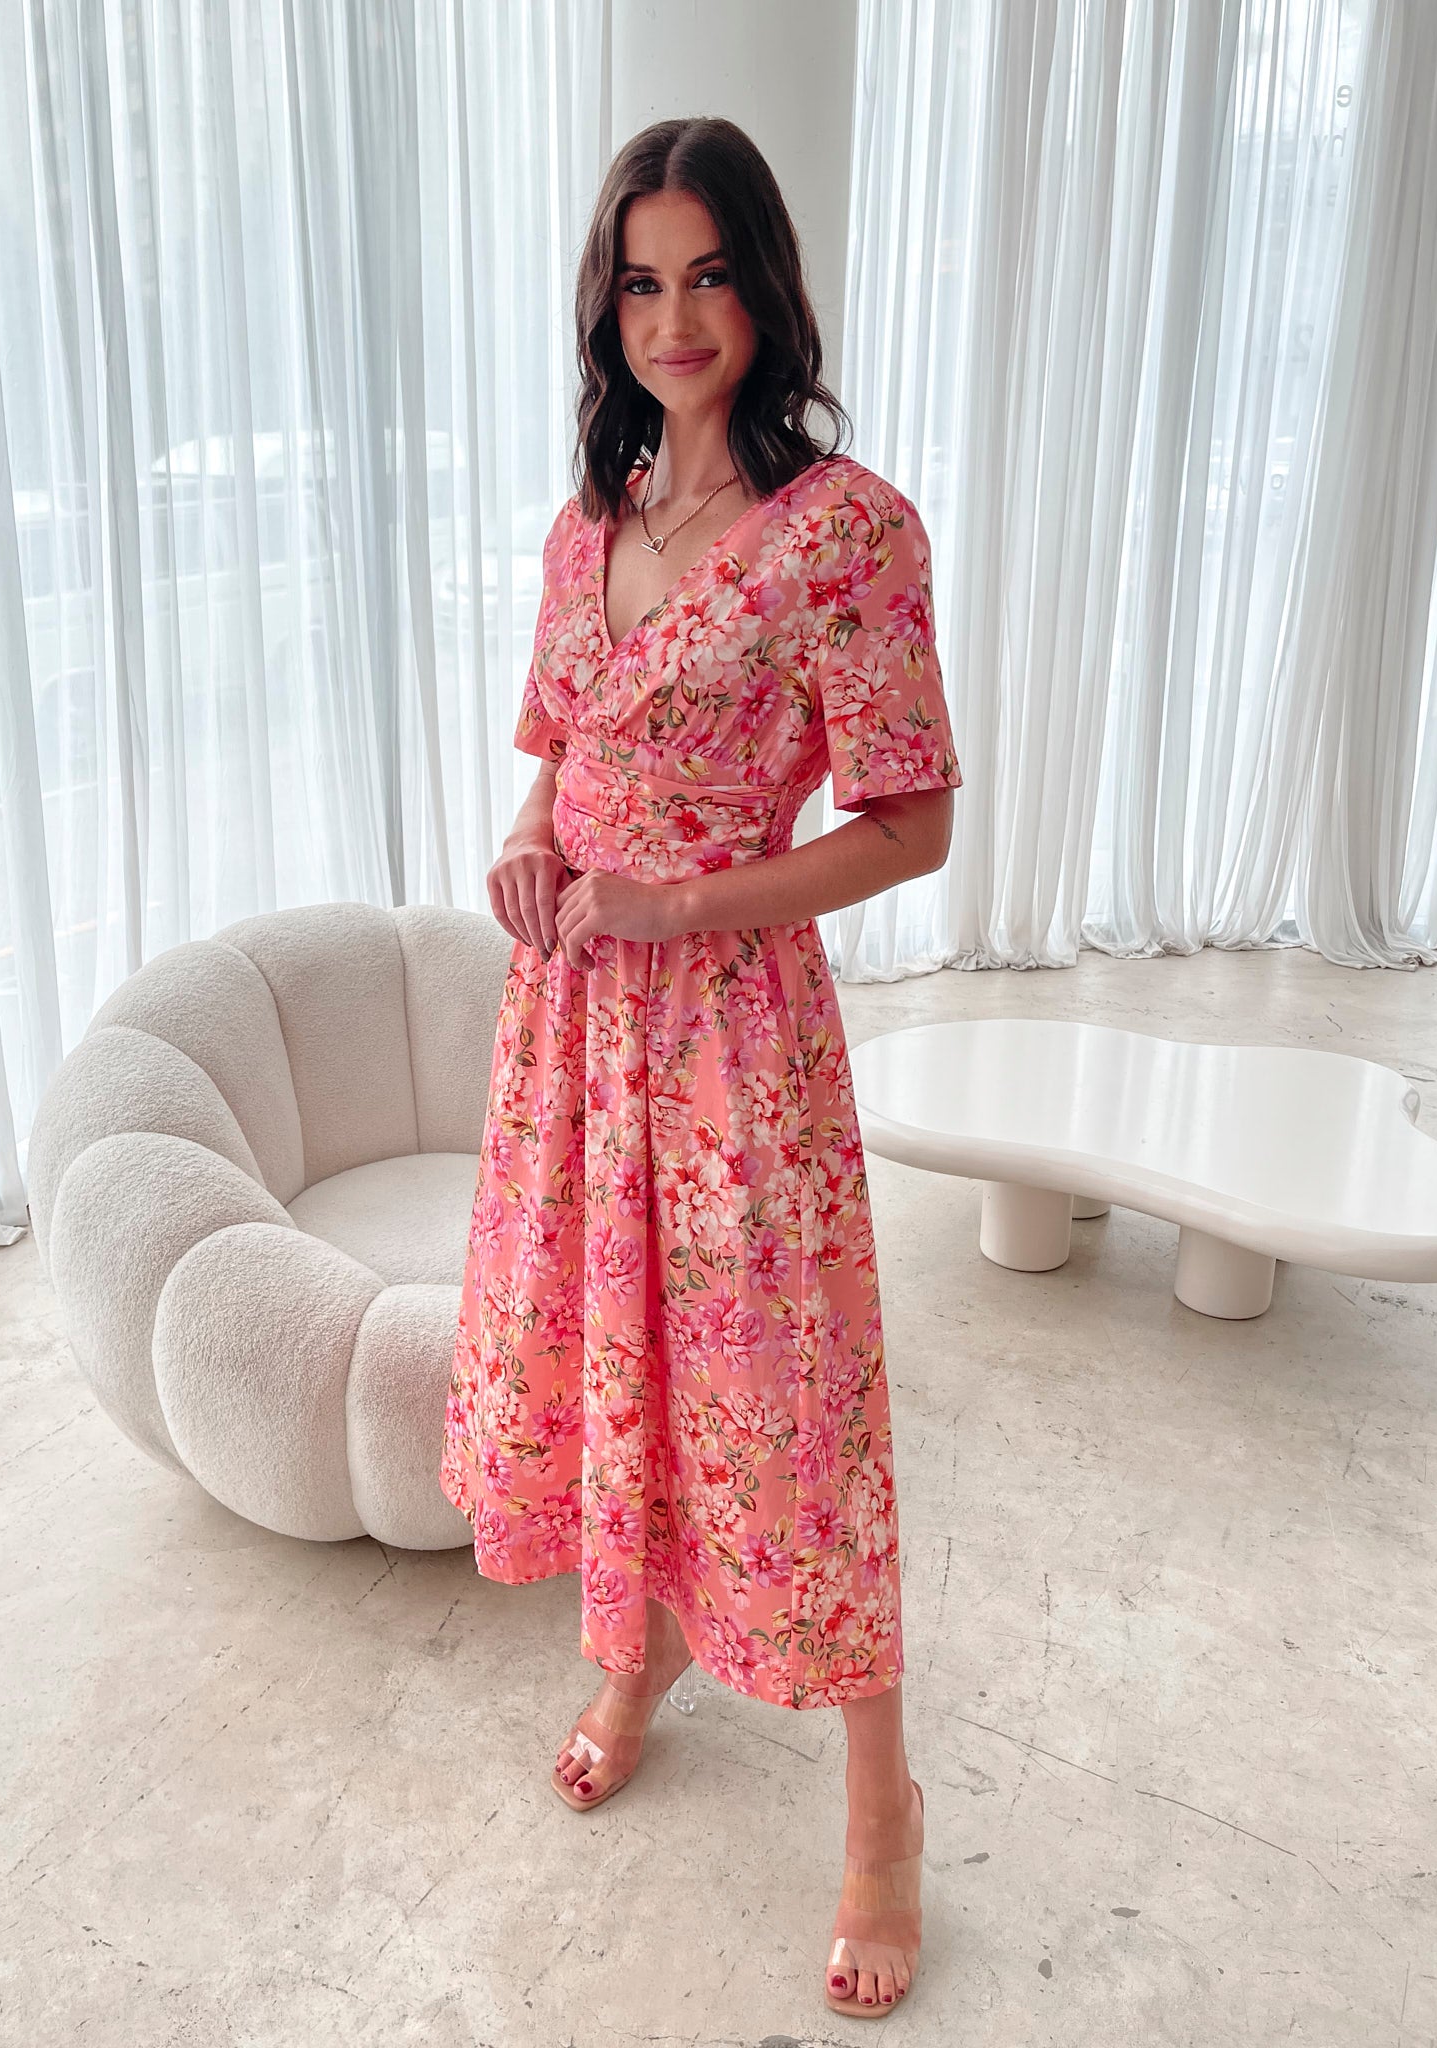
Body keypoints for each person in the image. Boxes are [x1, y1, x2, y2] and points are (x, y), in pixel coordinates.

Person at [440, 114, 962, 2022]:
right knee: (610, 1358)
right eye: (641, 280)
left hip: (736, 1041)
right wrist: (536, 841)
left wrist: (686, 901)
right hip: (573, 1032)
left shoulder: (849, 535)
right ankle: (636, 1652)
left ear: (767, 282)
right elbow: (555, 754)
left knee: (787, 1414)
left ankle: (882, 1806)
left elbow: (912, 827)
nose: (675, 316)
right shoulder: (590, 523)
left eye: (709, 272)